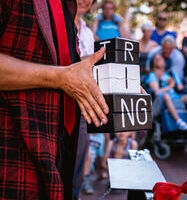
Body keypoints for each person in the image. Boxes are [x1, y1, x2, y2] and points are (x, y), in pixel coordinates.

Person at [0, 1, 110, 199]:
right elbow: (61, 74)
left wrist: (117, 78)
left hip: (56, 147)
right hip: (13, 154)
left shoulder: (65, 7)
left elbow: (67, 68)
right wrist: (59, 77)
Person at [73, 0, 96, 199]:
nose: (85, 0)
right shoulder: (61, 26)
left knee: (80, 156)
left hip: (81, 101)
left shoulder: (88, 33)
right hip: (58, 99)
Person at [146, 54, 187, 132]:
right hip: (164, 99)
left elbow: (180, 87)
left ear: (165, 63)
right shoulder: (152, 75)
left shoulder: (171, 74)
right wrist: (170, 85)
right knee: (166, 96)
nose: (158, 60)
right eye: (155, 59)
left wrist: (175, 83)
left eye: (160, 58)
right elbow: (156, 91)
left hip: (177, 97)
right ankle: (178, 121)